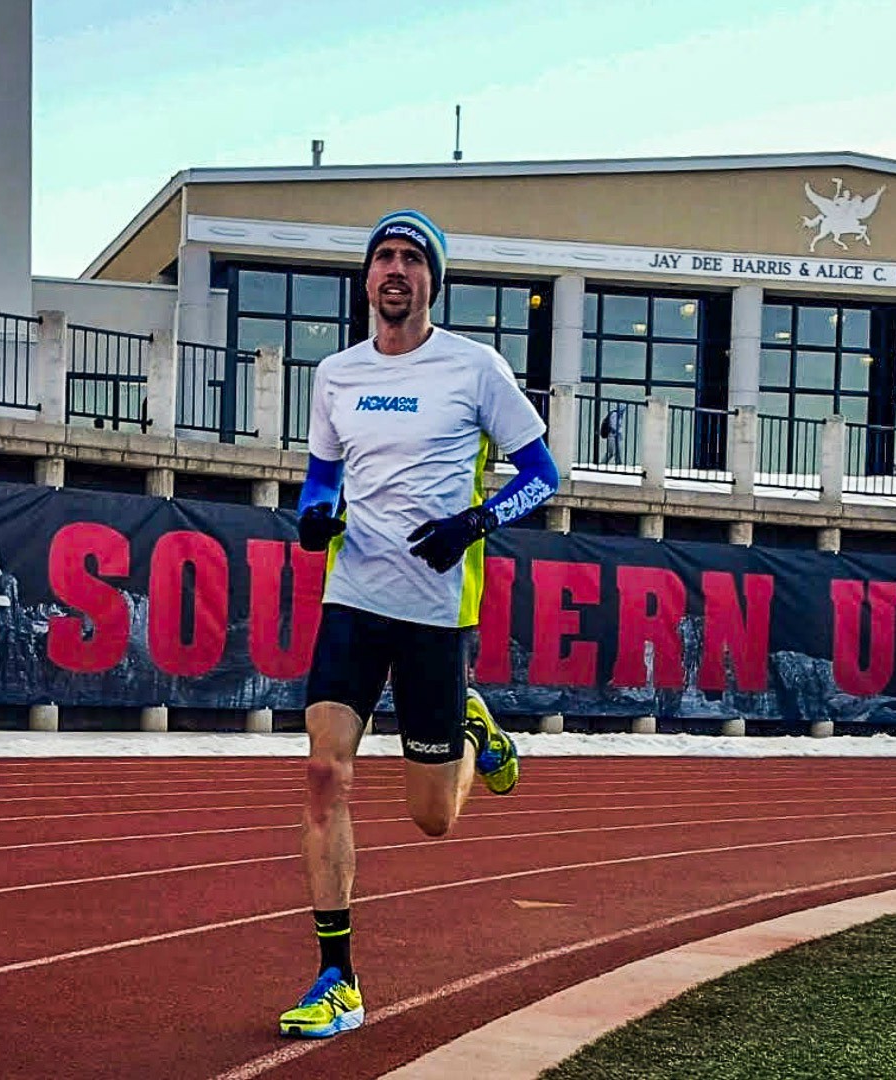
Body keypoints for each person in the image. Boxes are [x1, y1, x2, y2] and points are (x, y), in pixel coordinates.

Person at [277, 208, 559, 1039]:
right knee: (324, 771)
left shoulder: (475, 368)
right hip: (353, 598)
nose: (395, 270)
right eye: (384, 258)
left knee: (433, 818)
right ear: (367, 278)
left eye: (411, 258)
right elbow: (322, 475)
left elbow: (542, 474)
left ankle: (474, 730)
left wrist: (476, 521)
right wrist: (315, 516)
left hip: (436, 610)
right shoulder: (336, 373)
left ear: (433, 280)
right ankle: (338, 978)